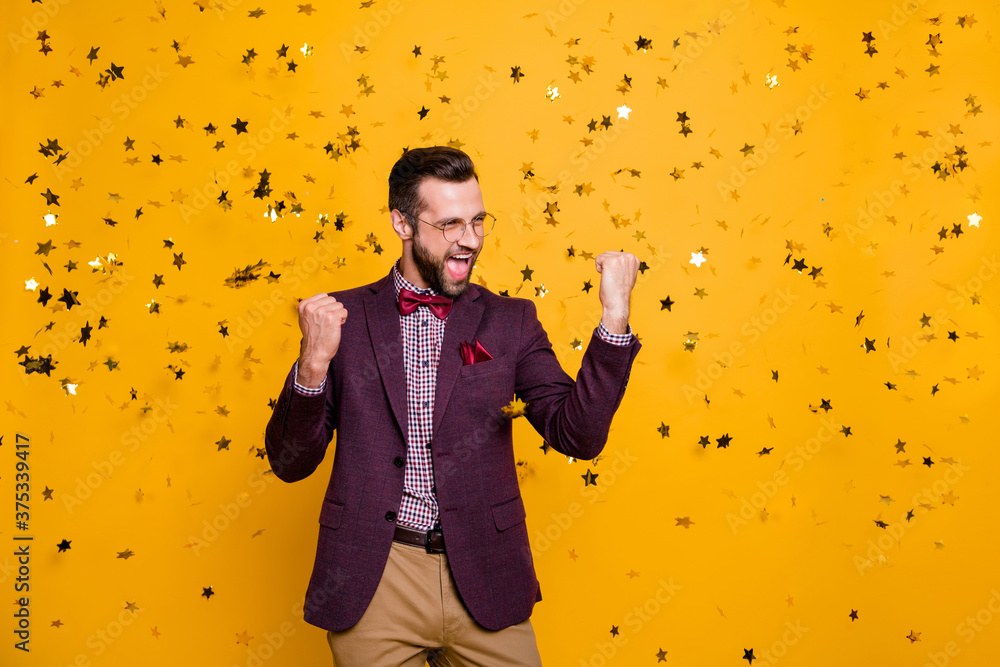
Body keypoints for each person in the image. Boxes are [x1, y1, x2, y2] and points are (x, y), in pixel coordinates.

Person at [264, 146, 642, 666]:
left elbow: (577, 435)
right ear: (402, 222)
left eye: (478, 221)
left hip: (486, 571)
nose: (469, 240)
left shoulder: (511, 321)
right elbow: (289, 463)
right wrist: (312, 365)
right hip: (375, 577)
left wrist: (614, 318)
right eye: (449, 224)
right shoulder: (342, 318)